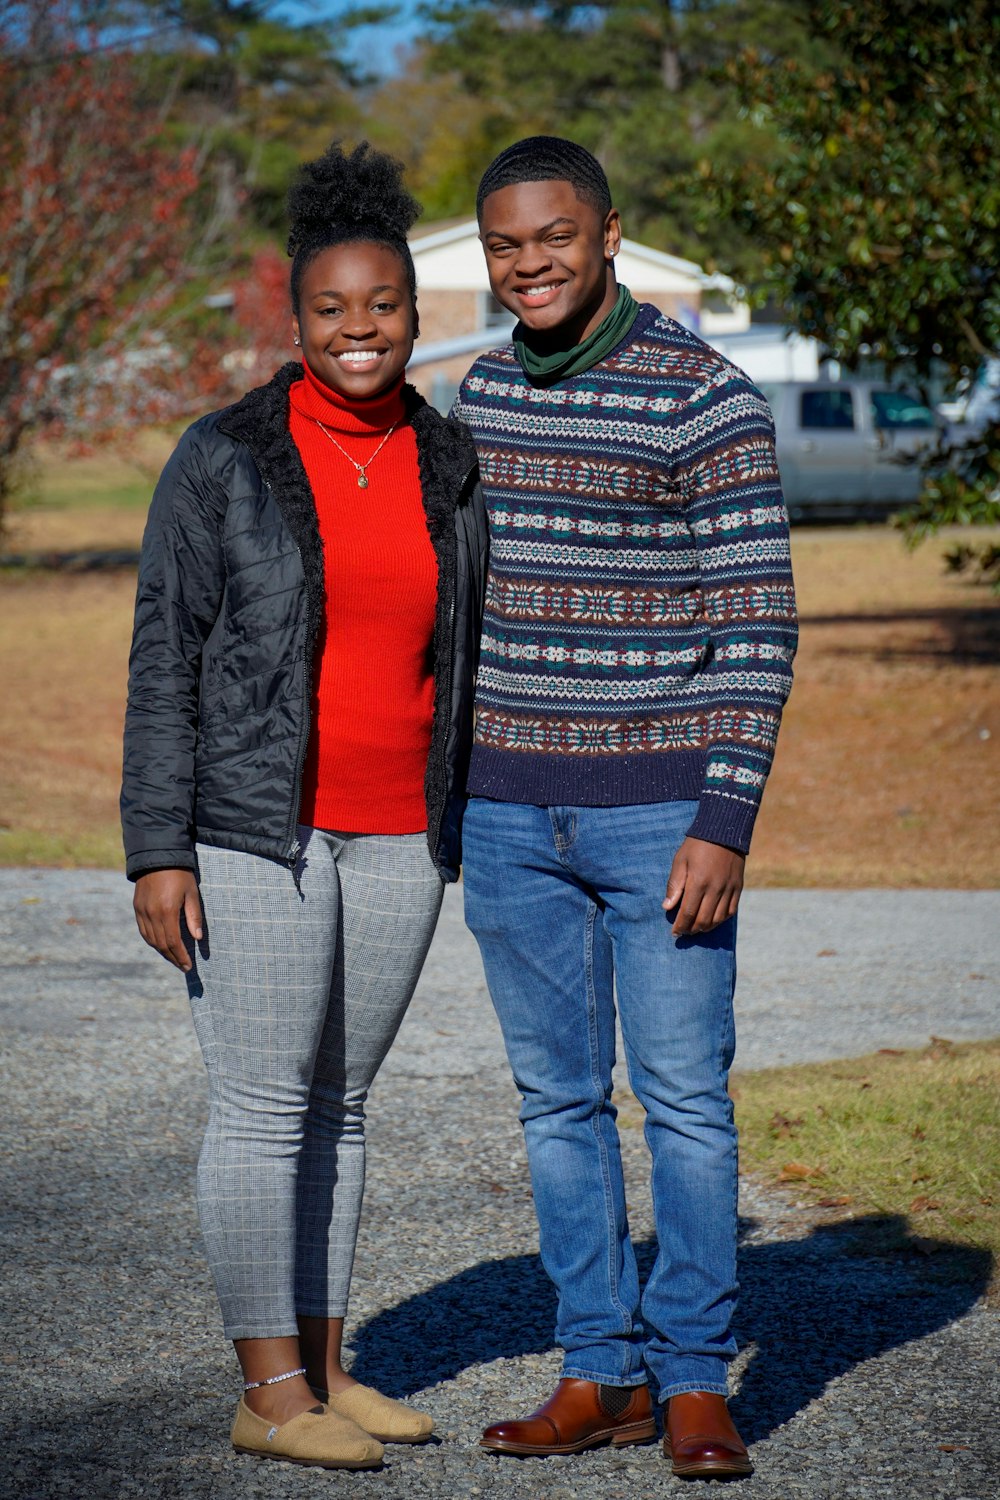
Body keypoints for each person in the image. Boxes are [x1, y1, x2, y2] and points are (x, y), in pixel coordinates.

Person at [121, 141, 487, 1471]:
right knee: (262, 1109)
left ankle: (331, 1371)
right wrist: (157, 850)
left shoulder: (450, 460)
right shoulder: (220, 459)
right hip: (255, 834)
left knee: (343, 1106)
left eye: (381, 306)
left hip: (402, 836)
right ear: (296, 316)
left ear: (413, 311)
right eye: (331, 309)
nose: (358, 331)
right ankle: (268, 1394)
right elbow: (166, 653)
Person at [452, 137, 797, 1480]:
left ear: (608, 234)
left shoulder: (705, 398)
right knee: (555, 1106)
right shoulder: (480, 395)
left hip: (663, 819)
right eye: (503, 244)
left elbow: (757, 625)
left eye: (551, 236)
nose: (527, 262)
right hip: (506, 818)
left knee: (685, 1103)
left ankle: (698, 1377)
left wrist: (725, 818)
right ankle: (602, 1370)